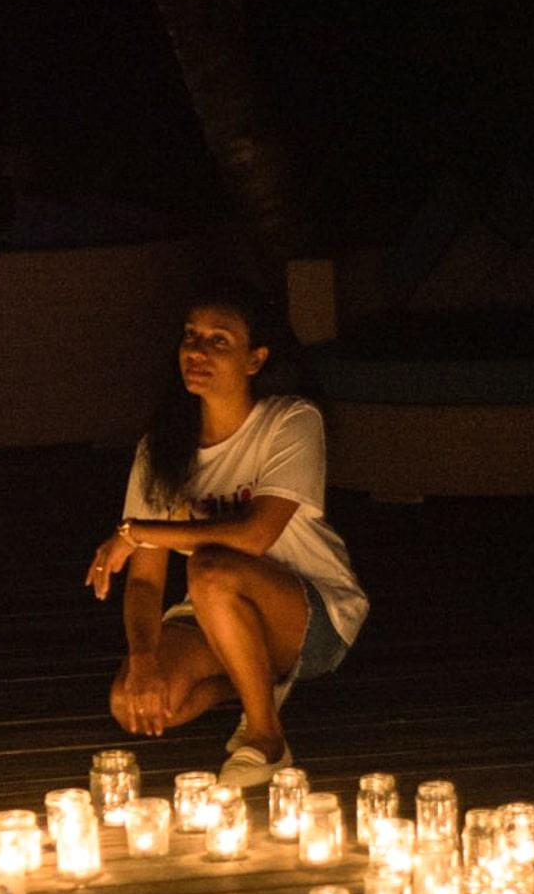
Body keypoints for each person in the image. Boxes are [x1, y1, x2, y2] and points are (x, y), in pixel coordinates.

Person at [87, 282, 369, 788]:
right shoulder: (162, 449)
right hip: (212, 608)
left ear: (255, 360)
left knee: (210, 566)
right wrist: (144, 659)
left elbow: (256, 536)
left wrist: (134, 532)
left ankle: (266, 737)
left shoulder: (291, 421)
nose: (197, 351)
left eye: (219, 341)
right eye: (191, 337)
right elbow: (147, 584)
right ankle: (256, 682)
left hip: (313, 617)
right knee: (135, 700)